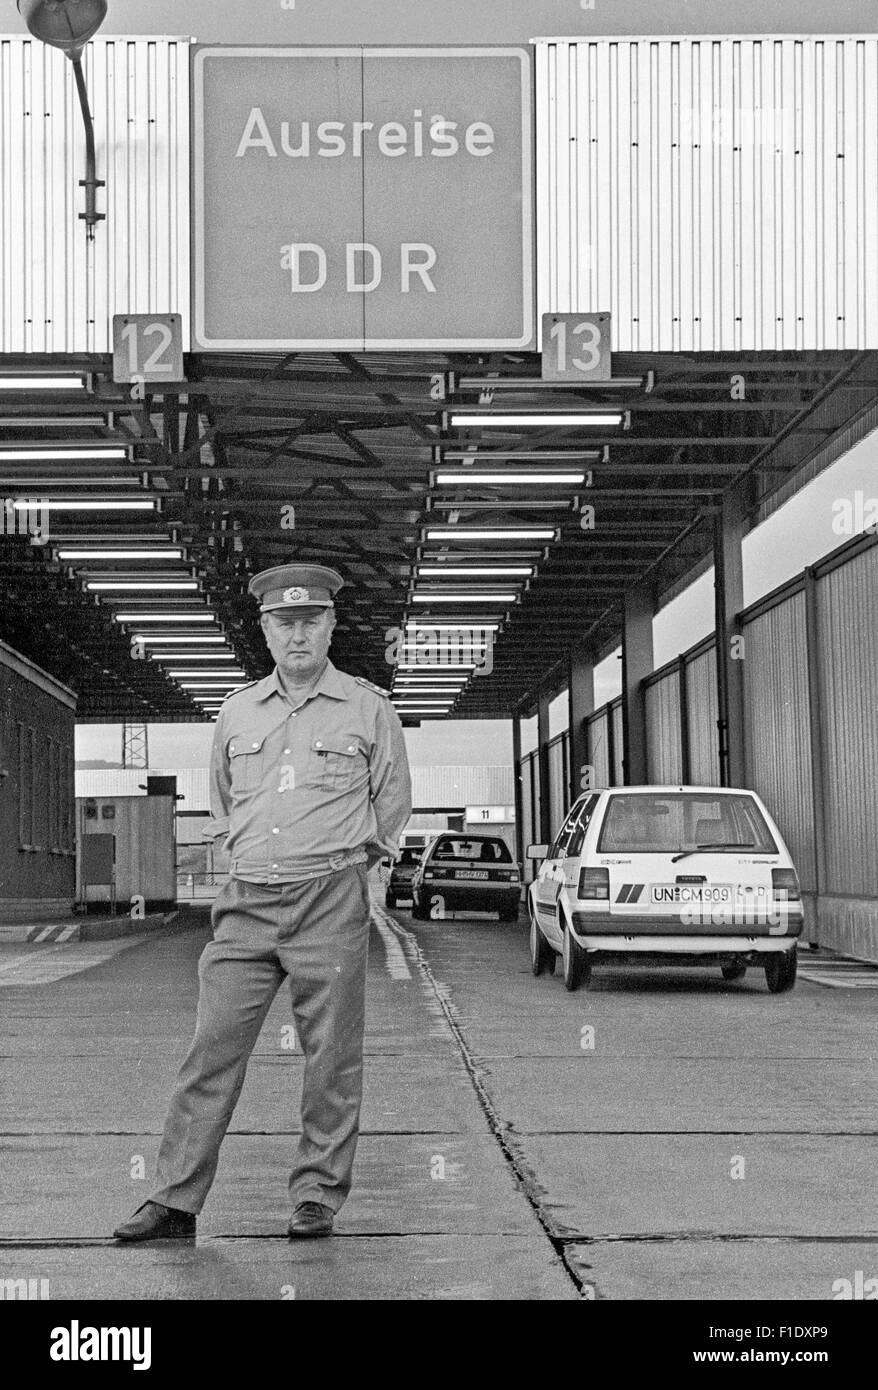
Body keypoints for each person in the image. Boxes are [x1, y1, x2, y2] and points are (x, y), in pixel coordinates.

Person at [113, 564, 412, 1241]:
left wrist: (357, 873)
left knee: (331, 1056)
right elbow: (222, 804)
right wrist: (245, 858)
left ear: (331, 626)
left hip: (328, 898)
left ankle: (316, 1197)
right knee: (211, 1050)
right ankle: (174, 1200)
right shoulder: (237, 710)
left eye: (311, 621)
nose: (298, 634)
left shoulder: (369, 707)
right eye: (284, 622)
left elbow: (391, 807)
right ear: (266, 631)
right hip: (246, 900)